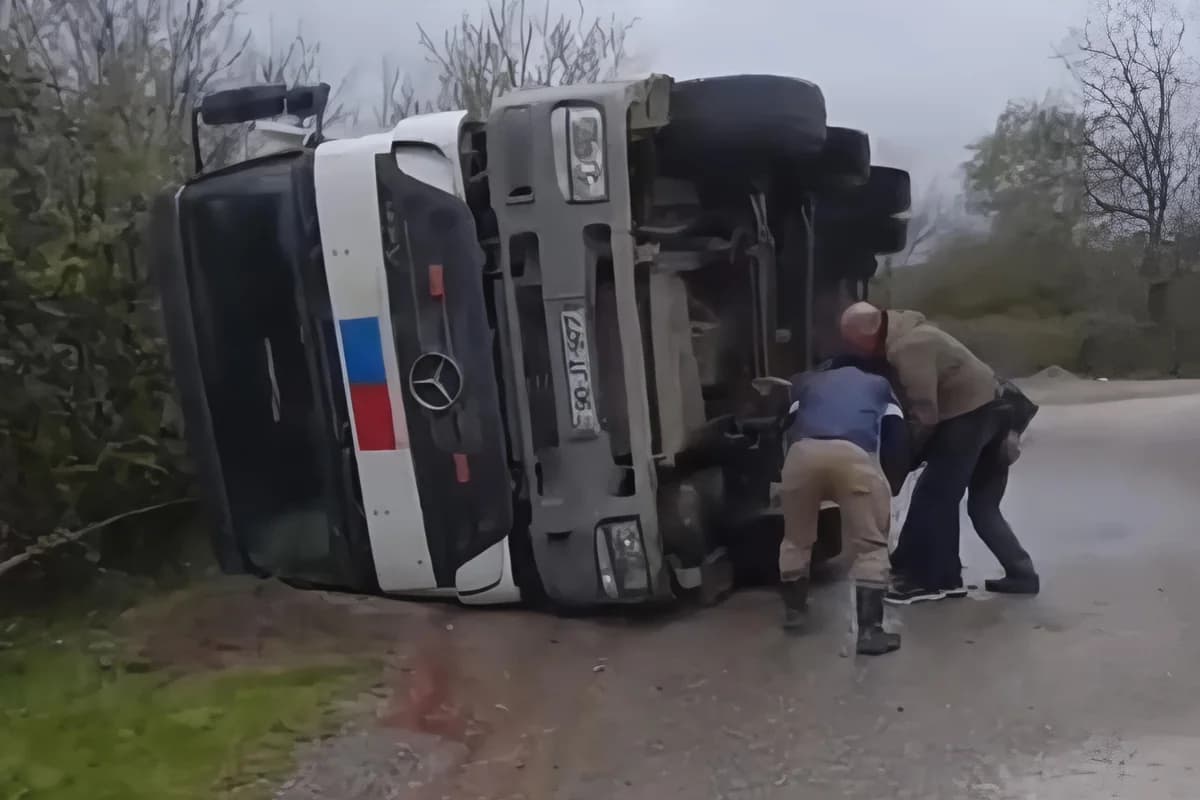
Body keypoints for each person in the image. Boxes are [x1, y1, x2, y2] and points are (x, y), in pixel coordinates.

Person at [838, 302, 1040, 604]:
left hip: (969, 417)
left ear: (867, 334)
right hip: (997, 413)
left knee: (934, 498)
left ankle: (931, 581)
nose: (857, 350)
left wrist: (907, 456)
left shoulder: (907, 347)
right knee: (982, 507)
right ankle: (1021, 574)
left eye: (854, 343)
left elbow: (925, 412)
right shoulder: (918, 332)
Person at [777, 362, 909, 656]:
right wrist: (890, 483)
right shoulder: (879, 386)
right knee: (870, 544)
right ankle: (870, 633)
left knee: (796, 539)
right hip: (854, 455)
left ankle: (795, 613)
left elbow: (785, 423)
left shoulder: (809, 382)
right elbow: (896, 436)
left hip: (801, 456)